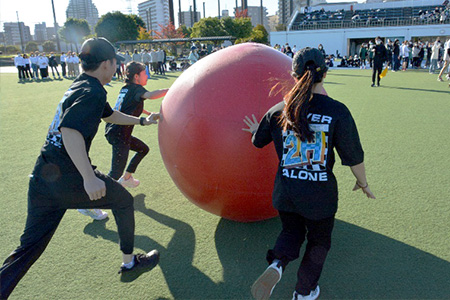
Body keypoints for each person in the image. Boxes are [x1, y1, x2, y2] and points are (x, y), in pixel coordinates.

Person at [0, 37, 161, 300]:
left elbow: (109, 115)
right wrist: (88, 178)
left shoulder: (82, 84)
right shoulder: (93, 91)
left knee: (27, 250)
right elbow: (69, 130)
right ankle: (129, 263)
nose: (116, 68)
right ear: (107, 63)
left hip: (43, 178)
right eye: (114, 63)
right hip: (68, 178)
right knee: (123, 201)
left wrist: (142, 121)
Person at [243, 47, 375, 300]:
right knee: (318, 242)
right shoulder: (337, 111)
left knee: (291, 233)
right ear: (324, 74)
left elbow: (257, 142)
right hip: (320, 197)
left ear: (294, 76)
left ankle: (277, 265)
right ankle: (303, 292)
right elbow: (354, 156)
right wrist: (363, 183)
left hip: (287, 192)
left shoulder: (276, 111)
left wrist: (254, 130)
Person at [104, 61, 168, 188]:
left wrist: (147, 112)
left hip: (115, 131)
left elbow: (128, 105)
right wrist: (172, 89)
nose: (147, 76)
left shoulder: (126, 88)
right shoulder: (137, 89)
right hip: (119, 135)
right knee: (115, 174)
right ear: (136, 76)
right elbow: (150, 95)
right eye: (145, 73)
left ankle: (127, 178)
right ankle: (90, 201)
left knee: (143, 149)